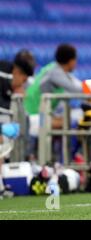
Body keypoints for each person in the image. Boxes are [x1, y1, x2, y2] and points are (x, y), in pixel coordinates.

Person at [24, 44, 83, 160]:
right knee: (74, 123)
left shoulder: (54, 69)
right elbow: (77, 89)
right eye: (75, 60)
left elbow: (76, 85)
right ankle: (65, 161)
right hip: (34, 117)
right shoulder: (55, 73)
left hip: (39, 114)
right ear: (70, 61)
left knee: (70, 120)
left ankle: (62, 159)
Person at [0, 49, 35, 199]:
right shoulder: (3, 75)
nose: (23, 85)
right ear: (17, 72)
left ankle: (0, 188)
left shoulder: (8, 88)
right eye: (24, 80)